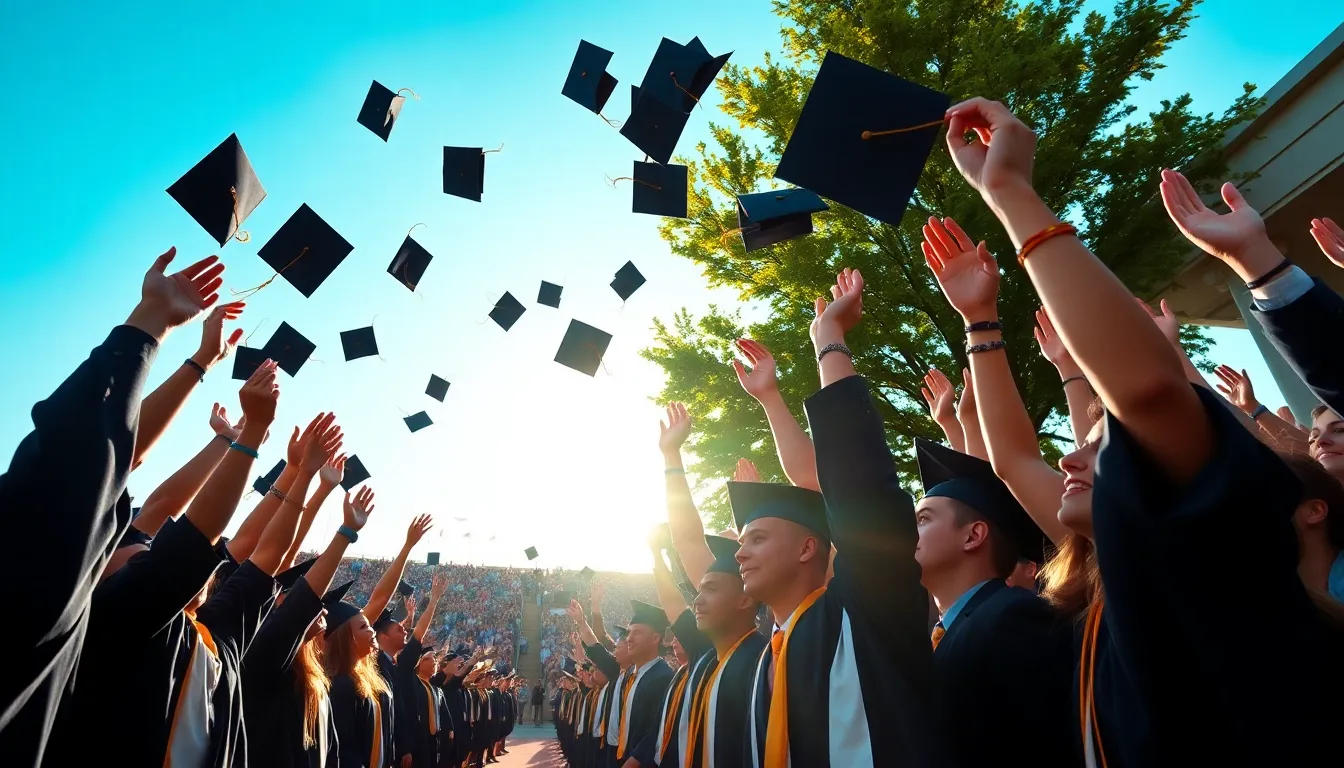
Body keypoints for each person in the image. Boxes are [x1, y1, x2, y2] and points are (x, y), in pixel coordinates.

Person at [949, 95, 1342, 765]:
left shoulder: (1207, 568)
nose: (1072, 458)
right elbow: (1012, 462)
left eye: (1107, 449)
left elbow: (1151, 391)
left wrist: (1013, 195)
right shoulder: (1106, 588)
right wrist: (980, 321)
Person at [0, 248, 229, 765]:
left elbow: (112, 459)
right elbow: (86, 467)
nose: (144, 548)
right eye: (142, 550)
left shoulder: (77, 592)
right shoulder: (98, 615)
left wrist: (189, 355)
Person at [244, 483, 377, 768]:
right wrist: (345, 533)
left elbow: (333, 753)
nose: (322, 607)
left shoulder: (317, 675)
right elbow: (302, 598)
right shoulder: (266, 659)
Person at [394, 571, 449, 768]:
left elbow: (413, 636)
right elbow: (417, 634)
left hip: (426, 742)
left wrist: (411, 616)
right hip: (408, 745)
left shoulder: (412, 675)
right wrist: (433, 600)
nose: (403, 631)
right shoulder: (402, 670)